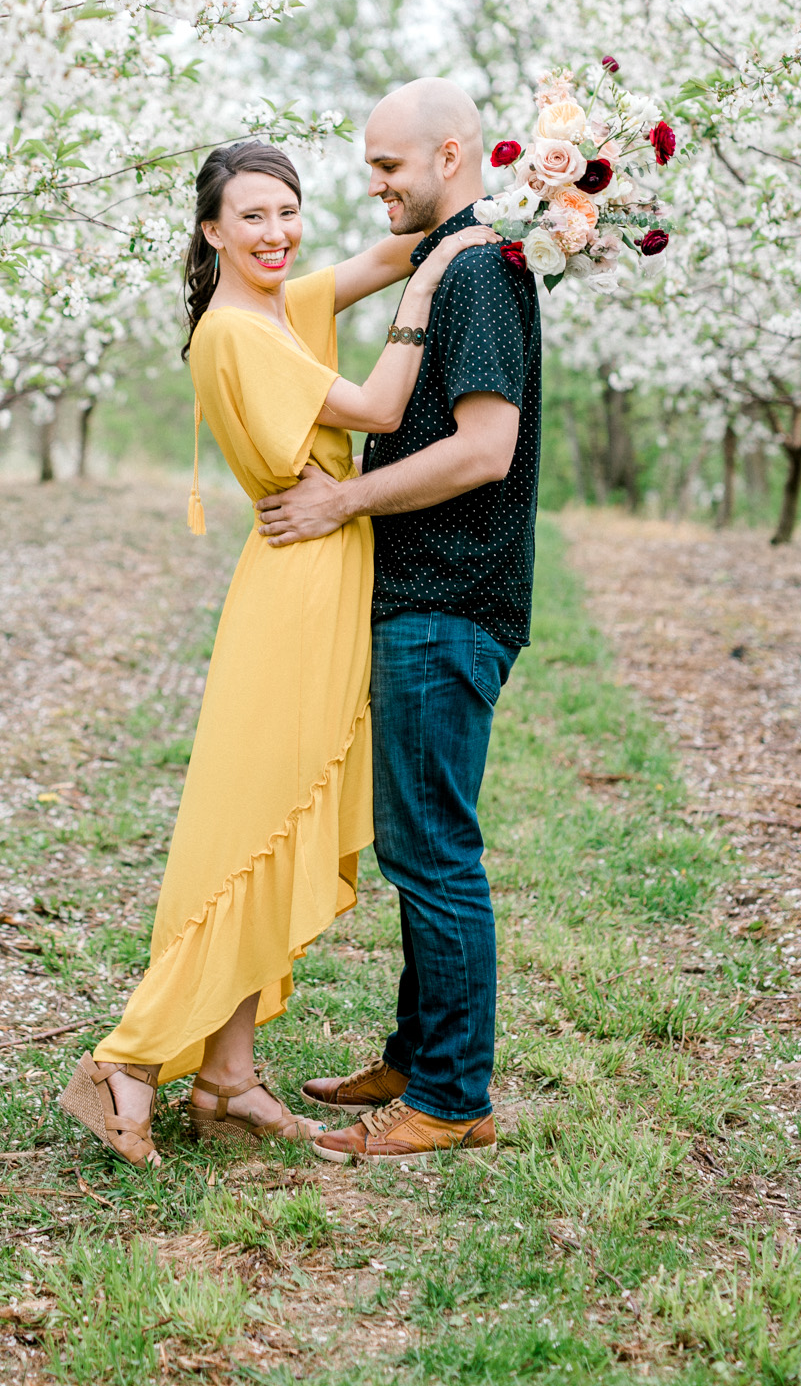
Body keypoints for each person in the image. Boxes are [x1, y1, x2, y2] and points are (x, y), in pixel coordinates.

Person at [59, 138, 491, 1167]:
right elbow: (384, 406)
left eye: (288, 211)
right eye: (252, 216)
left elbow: (389, 257)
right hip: (298, 588)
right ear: (212, 229)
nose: (276, 232)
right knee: (253, 829)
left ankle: (228, 1075)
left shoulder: (276, 306)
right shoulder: (239, 331)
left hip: (321, 574)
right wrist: (435, 287)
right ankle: (125, 1061)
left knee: (272, 831)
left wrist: (501, 209)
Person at [257, 79, 541, 1164]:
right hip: (428, 591)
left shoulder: (473, 269)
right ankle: (420, 1055)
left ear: (452, 154)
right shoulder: (450, 260)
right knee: (421, 838)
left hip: (450, 591)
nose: (372, 185)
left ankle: (453, 1096)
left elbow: (484, 448)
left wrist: (341, 498)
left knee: (433, 851)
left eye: (389, 167)